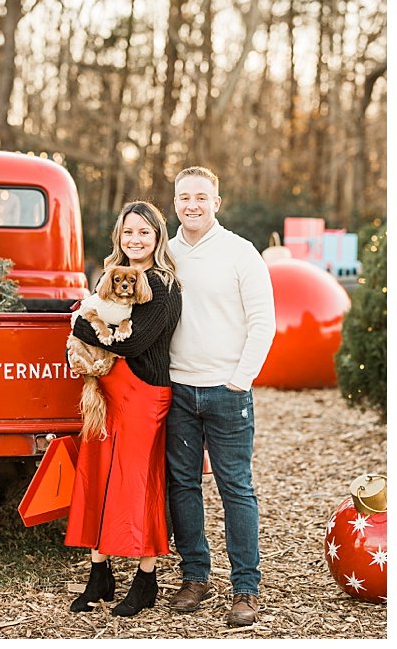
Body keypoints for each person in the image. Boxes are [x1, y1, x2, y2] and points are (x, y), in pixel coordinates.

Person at [163, 166, 274, 627]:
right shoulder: (163, 254)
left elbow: (263, 321)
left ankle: (245, 588)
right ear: (174, 202)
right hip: (178, 392)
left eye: (201, 197)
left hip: (227, 393)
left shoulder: (240, 253)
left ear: (217, 202)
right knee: (183, 487)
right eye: (184, 197)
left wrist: (239, 378)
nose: (192, 205)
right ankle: (195, 576)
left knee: (236, 489)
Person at [64, 200, 182, 617]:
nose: (135, 239)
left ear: (157, 237)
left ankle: (146, 579)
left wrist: (80, 325)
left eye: (144, 232)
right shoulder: (109, 275)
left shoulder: (163, 285)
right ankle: (100, 575)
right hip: (107, 391)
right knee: (97, 477)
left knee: (137, 485)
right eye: (128, 232)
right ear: (119, 235)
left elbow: (132, 343)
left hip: (144, 393)